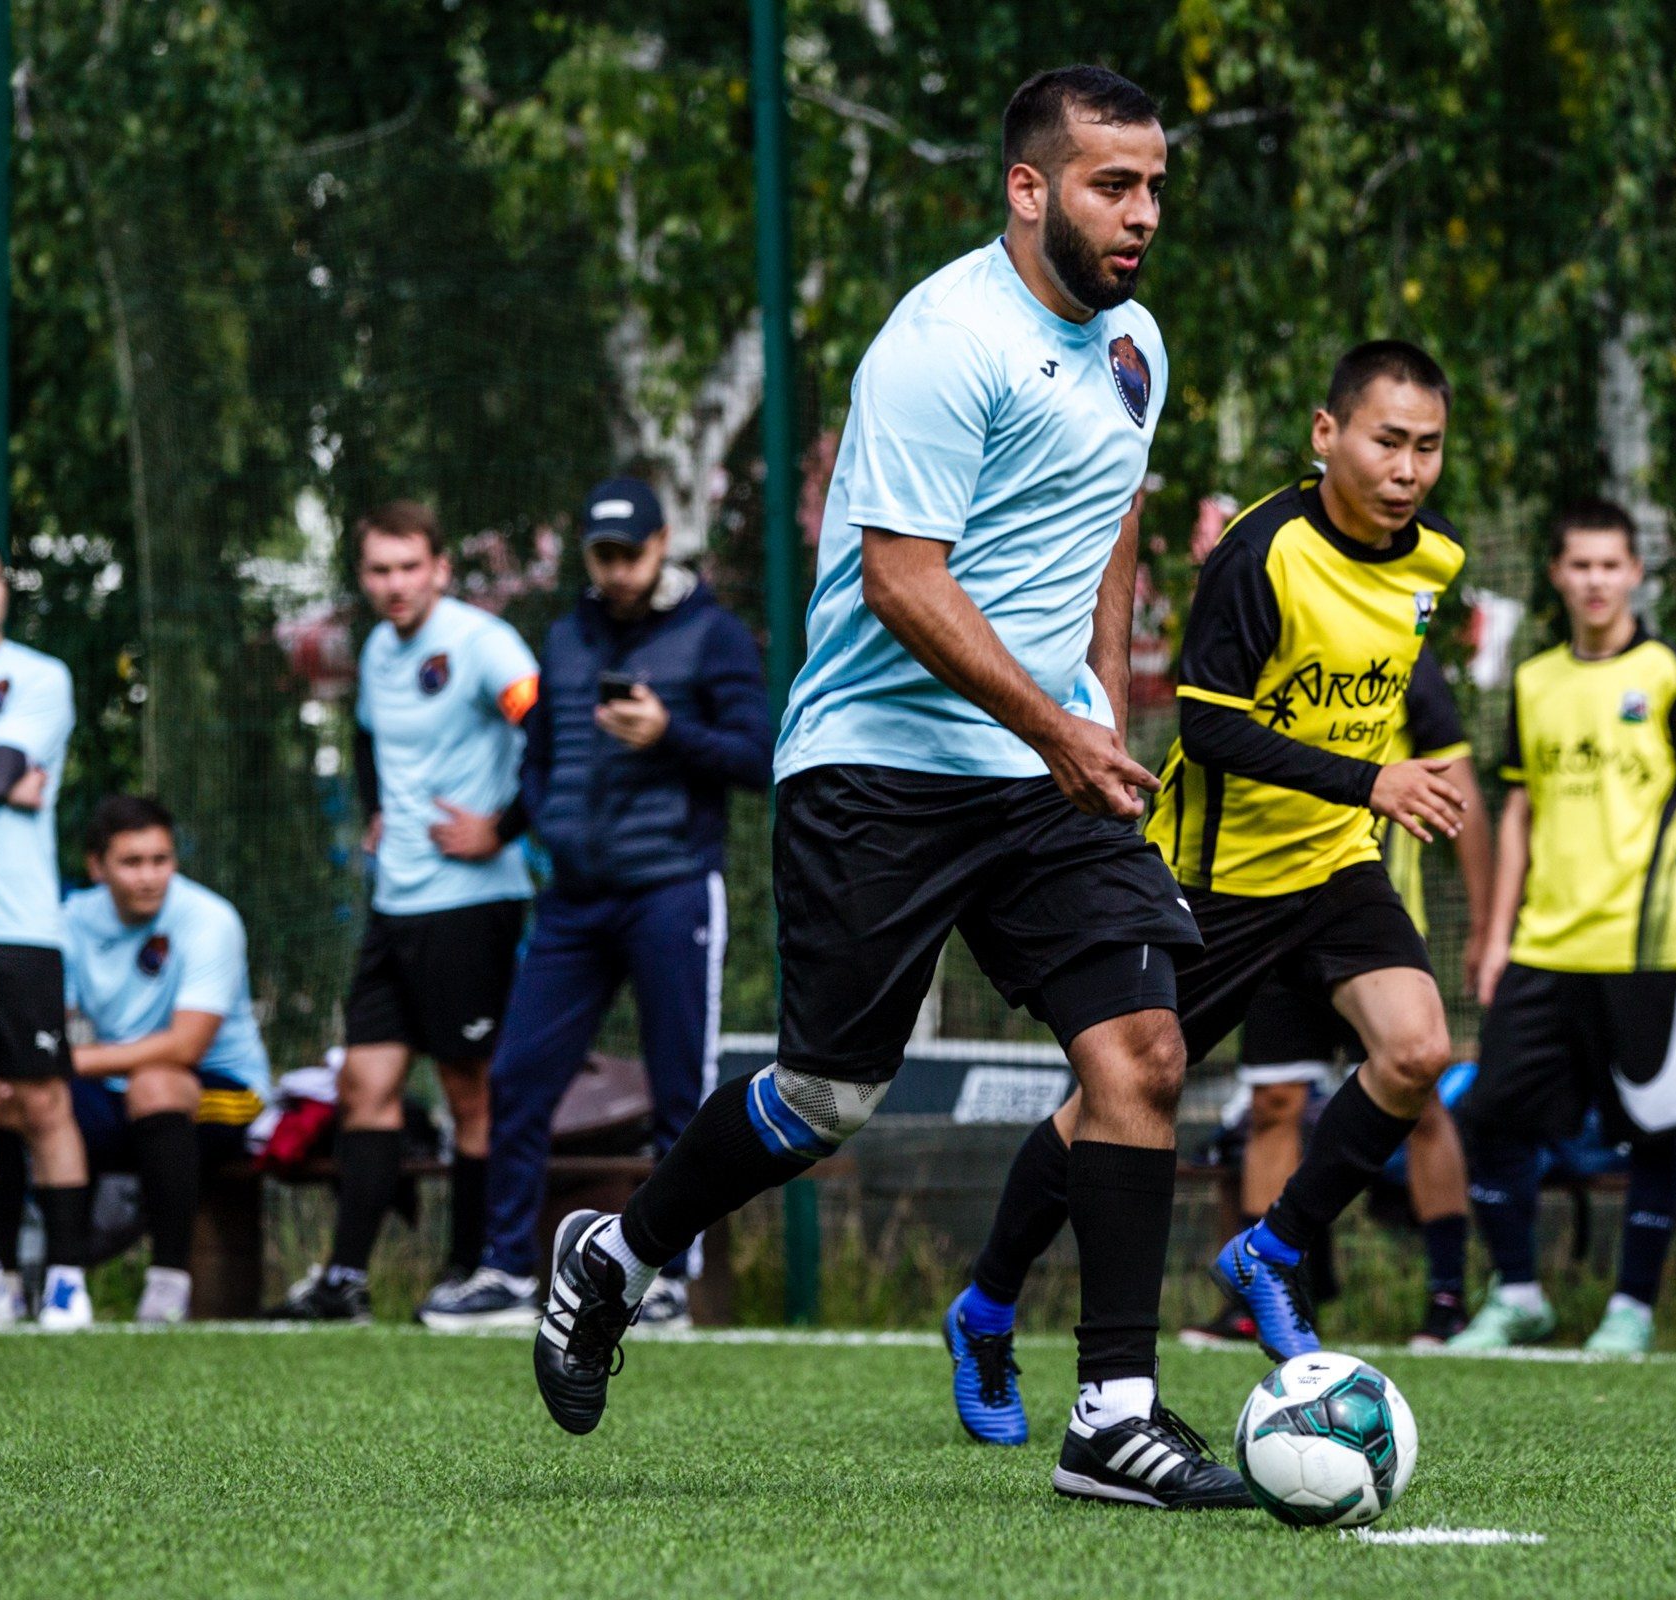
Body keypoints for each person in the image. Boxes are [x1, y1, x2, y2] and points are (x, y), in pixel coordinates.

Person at [525, 67, 1252, 1511]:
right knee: (828, 1097)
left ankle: (1114, 1414)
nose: (1144, 213)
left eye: (1157, 184)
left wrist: (1101, 707)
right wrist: (1058, 722)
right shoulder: (942, 341)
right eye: (1115, 184)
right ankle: (615, 1256)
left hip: (1045, 766)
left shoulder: (1134, 347)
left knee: (1144, 1059)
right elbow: (900, 581)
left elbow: (1111, 525)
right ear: (1028, 188)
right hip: (879, 768)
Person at [945, 338, 1470, 1449]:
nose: (1408, 467)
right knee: (1107, 1107)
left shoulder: (1433, 565)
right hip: (1214, 879)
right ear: (1328, 436)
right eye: (1387, 441)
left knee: (1419, 1047)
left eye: (1427, 446)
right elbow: (1211, 727)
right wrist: (1376, 776)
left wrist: (1385, 790)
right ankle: (987, 1306)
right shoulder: (1260, 554)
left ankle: (1272, 1248)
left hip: (1333, 862)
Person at [418, 479, 772, 1331]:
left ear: (661, 548)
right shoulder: (567, 637)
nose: (615, 571)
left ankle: (669, 1280)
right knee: (517, 1077)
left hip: (671, 888)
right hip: (573, 902)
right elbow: (540, 754)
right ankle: (505, 1272)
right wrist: (512, 826)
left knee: (678, 1088)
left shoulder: (714, 636)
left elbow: (759, 756)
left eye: (630, 554)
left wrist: (669, 734)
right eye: (601, 555)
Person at [1449, 500, 1676, 1355]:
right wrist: (1496, 936)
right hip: (1542, 945)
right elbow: (1519, 812)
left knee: (1653, 1127)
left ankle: (1633, 1310)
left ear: (1636, 573)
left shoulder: (1674, 675)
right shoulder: (1535, 681)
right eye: (1580, 565)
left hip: (1646, 949)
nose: (1596, 580)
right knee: (1492, 1118)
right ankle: (1519, 1294)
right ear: (1557, 576)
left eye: (1612, 565)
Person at [1179, 645, 1492, 1351]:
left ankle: (1447, 1297)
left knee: (1421, 1090)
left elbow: (1458, 783)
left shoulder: (1400, 651)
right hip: (1261, 911)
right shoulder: (1250, 637)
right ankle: (1265, 1295)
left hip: (1365, 918)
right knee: (1273, 1104)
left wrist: (1485, 920)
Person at [270, 502, 540, 1322]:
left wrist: (504, 826)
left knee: (469, 1092)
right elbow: (364, 738)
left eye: (407, 567)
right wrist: (377, 807)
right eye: (378, 570)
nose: (393, 584)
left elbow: (552, 726)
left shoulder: (485, 643)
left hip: (473, 904)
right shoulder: (379, 652)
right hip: (395, 906)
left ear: (440, 568)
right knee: (366, 1079)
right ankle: (344, 1282)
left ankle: (473, 1271)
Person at [0, 531, 92, 1331]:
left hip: (17, 927)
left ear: (4, 589)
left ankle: (67, 1280)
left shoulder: (40, 677)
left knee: (41, 1102)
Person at [57, 796, 272, 1324]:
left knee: (154, 1083)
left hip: (227, 1094)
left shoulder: (209, 919)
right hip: (117, 1086)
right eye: (132, 862)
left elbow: (186, 1047)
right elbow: (47, 1022)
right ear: (97, 867)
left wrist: (72, 1062)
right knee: (18, 1096)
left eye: (161, 860)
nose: (150, 876)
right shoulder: (70, 919)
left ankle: (167, 1288)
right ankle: (35, 1281)